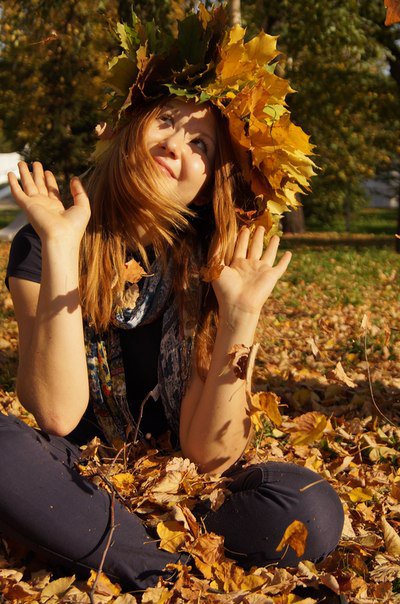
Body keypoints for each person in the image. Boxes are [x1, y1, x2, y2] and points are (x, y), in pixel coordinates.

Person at [0, 4, 344, 595]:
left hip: (190, 492)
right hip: (76, 479)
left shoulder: (217, 261)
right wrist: (61, 245)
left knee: (308, 504)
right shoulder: (47, 238)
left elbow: (210, 455)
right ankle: (160, 565)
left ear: (208, 184)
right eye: (165, 120)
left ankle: (114, 547)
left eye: (201, 144)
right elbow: (56, 415)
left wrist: (240, 315)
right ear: (131, 128)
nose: (176, 145)